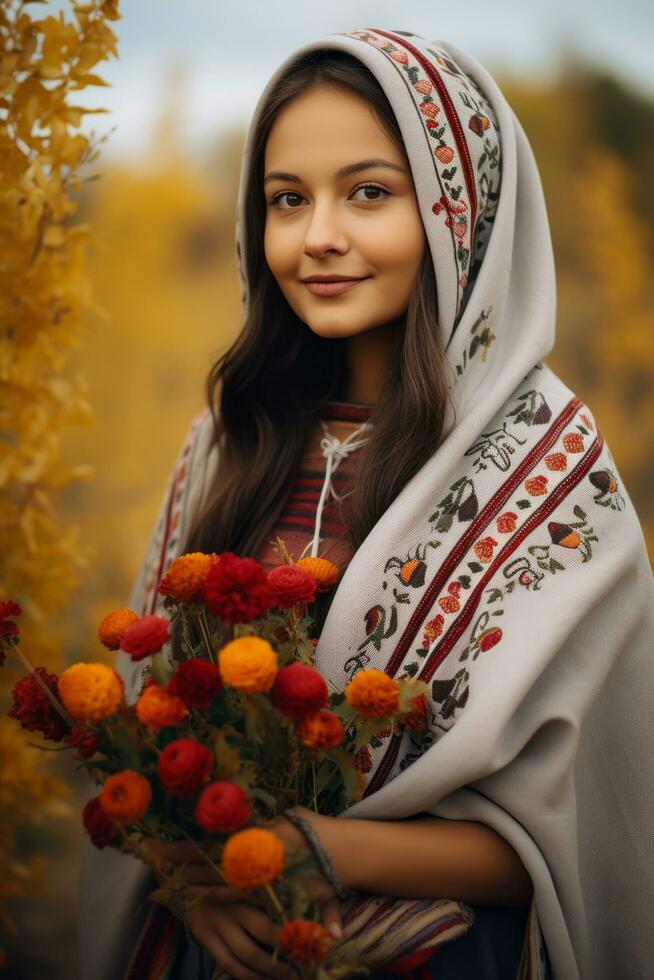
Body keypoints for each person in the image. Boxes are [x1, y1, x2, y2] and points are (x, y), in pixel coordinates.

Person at [78, 28, 654, 980]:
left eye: (370, 193)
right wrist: (189, 880)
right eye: (287, 200)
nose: (319, 237)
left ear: (459, 213)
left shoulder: (548, 474)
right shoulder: (231, 443)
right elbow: (153, 743)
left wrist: (317, 848)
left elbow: (587, 833)